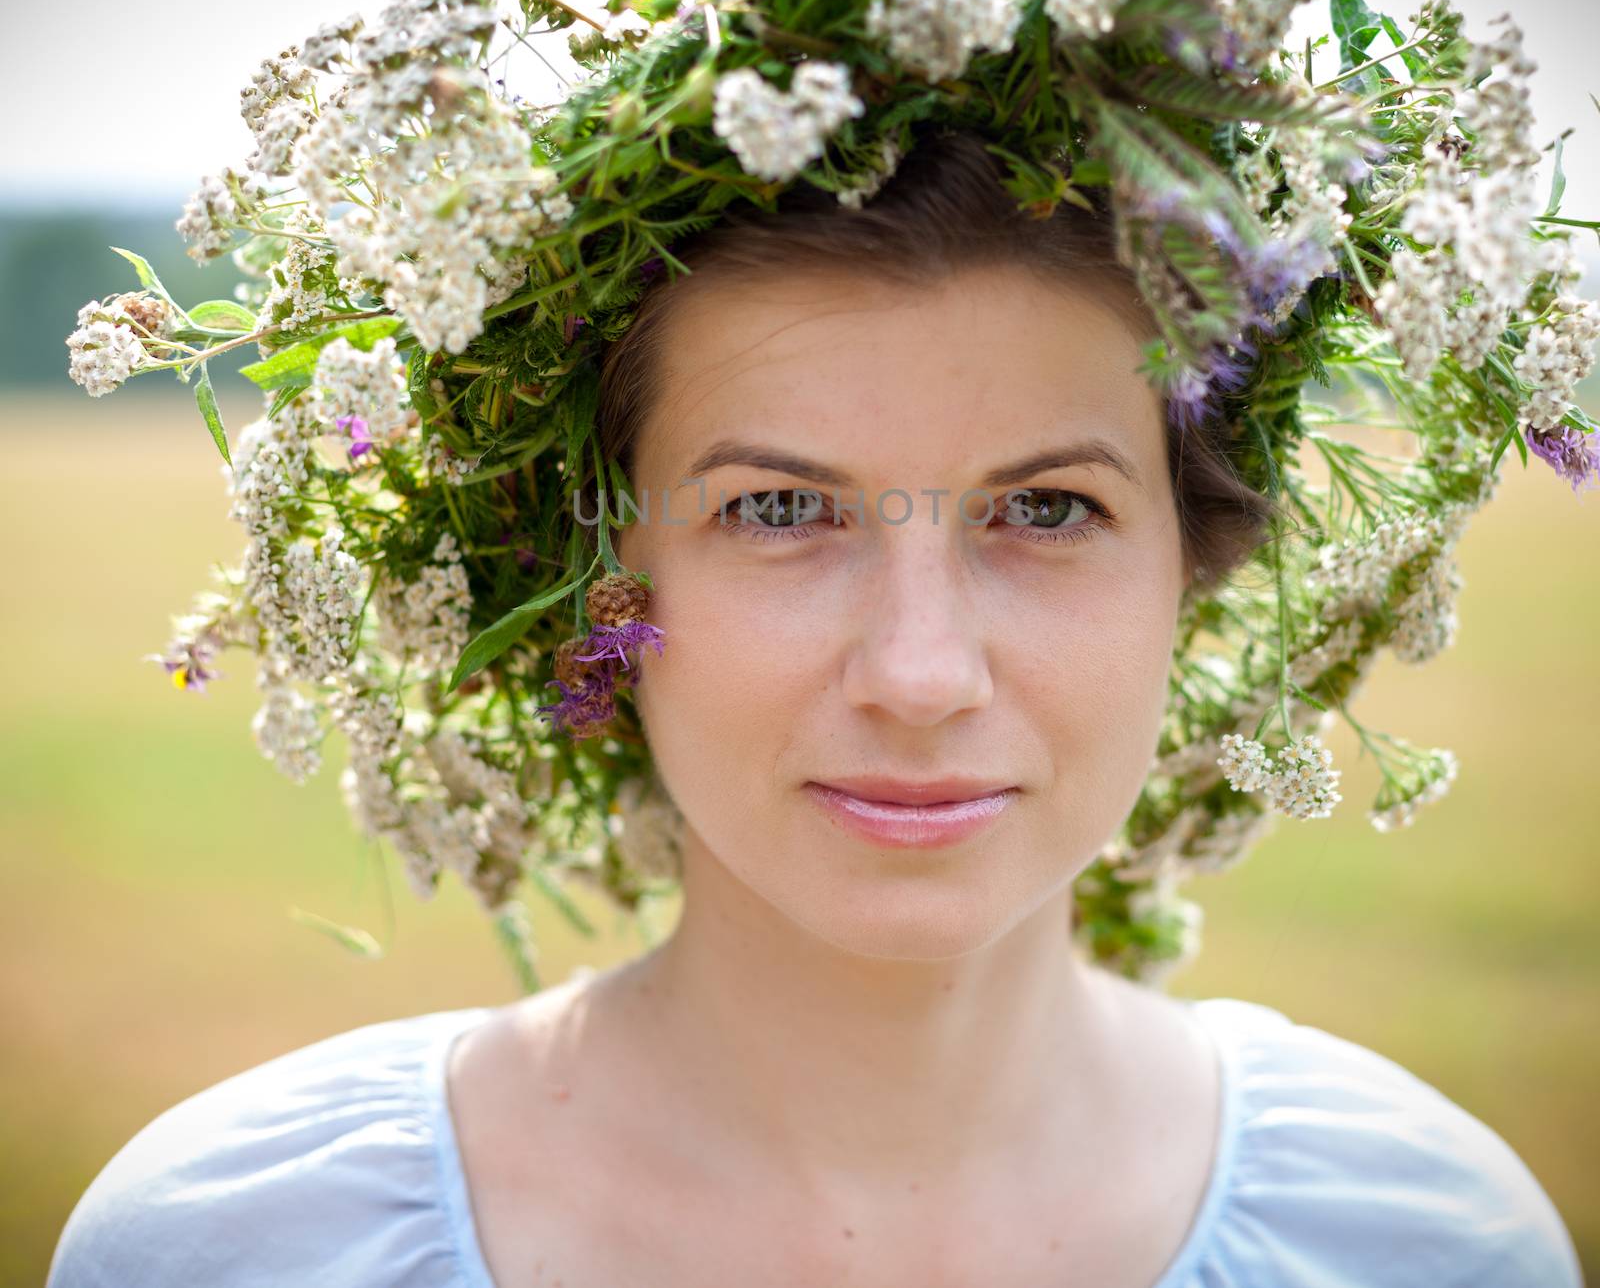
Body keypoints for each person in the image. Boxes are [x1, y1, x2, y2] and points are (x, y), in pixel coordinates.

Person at [47, 134, 1584, 1287]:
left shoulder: (1425, 1240)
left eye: (1046, 512)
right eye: (780, 507)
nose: (920, 675)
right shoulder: (237, 1244)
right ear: (593, 584)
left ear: (1193, 569)